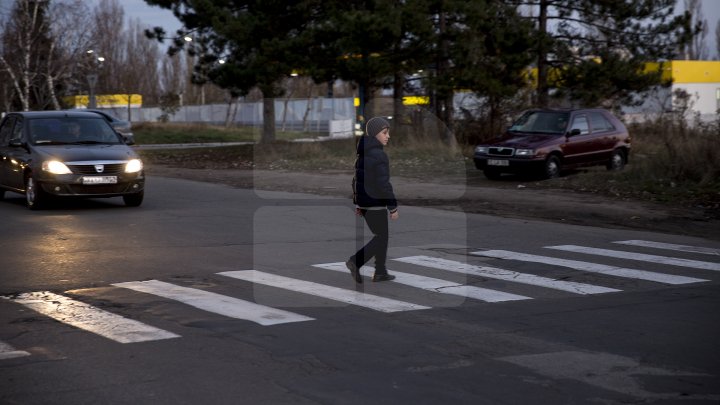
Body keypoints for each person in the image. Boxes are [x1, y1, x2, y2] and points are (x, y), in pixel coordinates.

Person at [346, 117, 399, 283]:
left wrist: (358, 203)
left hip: (365, 204)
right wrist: (393, 207)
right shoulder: (379, 156)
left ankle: (381, 271)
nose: (388, 136)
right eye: (384, 132)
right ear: (375, 134)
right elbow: (383, 184)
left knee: (381, 236)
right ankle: (356, 261)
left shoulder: (362, 153)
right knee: (381, 238)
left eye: (388, 132)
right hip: (376, 204)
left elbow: (356, 181)